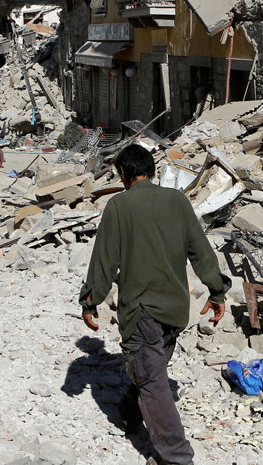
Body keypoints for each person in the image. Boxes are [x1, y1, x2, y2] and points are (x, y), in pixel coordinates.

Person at [80, 144, 230, 465]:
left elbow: (104, 261)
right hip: (176, 309)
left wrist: (90, 301)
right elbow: (201, 251)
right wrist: (217, 292)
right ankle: (127, 413)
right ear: (153, 169)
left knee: (150, 377)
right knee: (152, 368)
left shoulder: (119, 205)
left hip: (141, 310)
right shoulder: (177, 201)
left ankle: (176, 458)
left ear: (124, 174)